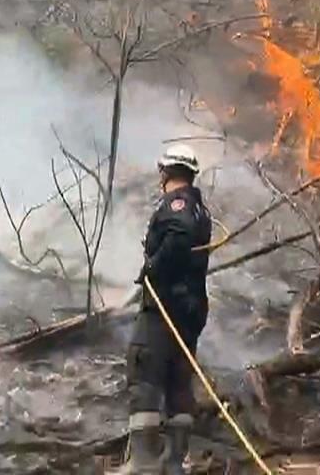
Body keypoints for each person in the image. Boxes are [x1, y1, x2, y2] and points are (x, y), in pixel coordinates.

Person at [124, 144, 213, 475]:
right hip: (190, 309)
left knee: (143, 371)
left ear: (166, 174)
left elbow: (178, 237)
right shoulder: (200, 209)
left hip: (166, 307)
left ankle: (144, 462)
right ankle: (174, 462)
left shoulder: (178, 204)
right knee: (178, 379)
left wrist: (153, 270)